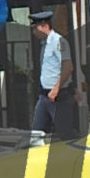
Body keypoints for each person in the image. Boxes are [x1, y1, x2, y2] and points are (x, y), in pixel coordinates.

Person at [28, 8, 78, 138]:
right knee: (36, 132)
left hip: (58, 96)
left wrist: (55, 89)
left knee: (65, 133)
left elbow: (68, 67)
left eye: (35, 28)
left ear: (44, 26)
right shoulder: (44, 44)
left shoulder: (58, 42)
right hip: (45, 96)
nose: (33, 32)